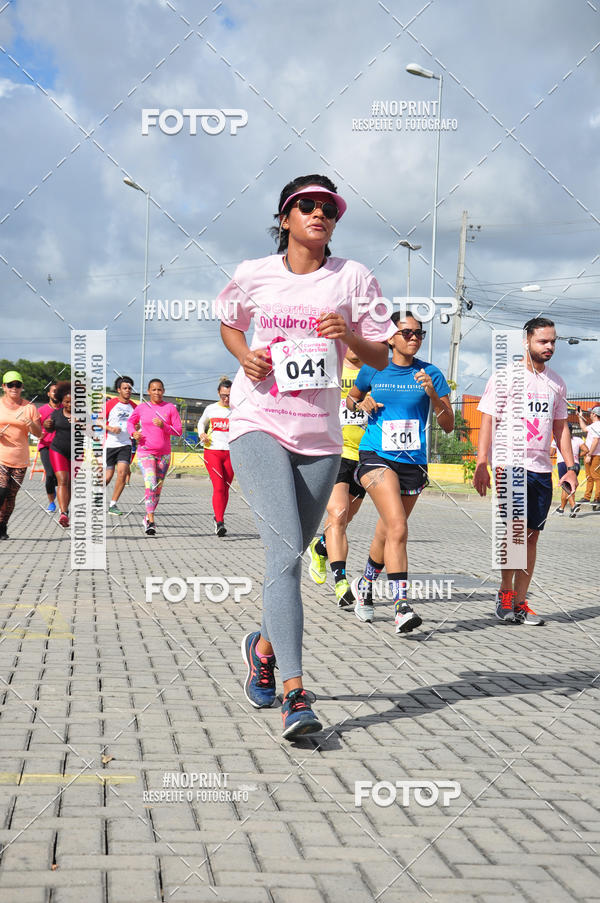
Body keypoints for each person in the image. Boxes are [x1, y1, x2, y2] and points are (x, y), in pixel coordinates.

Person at [218, 174, 394, 740]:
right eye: (308, 206)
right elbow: (229, 323)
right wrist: (246, 356)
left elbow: (381, 355)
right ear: (286, 217)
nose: (320, 214)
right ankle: (297, 696)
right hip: (257, 423)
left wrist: (351, 336)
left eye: (330, 209)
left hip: (319, 436)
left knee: (291, 553)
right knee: (286, 552)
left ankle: (262, 649)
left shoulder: (354, 278)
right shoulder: (253, 273)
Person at [347, 312, 454, 632]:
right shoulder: (373, 368)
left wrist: (434, 397)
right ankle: (401, 606)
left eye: (419, 333)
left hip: (413, 462)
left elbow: (448, 425)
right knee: (397, 525)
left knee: (388, 530)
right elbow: (352, 401)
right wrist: (361, 403)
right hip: (376, 455)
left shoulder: (431, 373)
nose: (414, 338)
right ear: (390, 337)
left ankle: (364, 586)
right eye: (406, 332)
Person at [474, 317, 578, 625]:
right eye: (543, 341)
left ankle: (520, 603)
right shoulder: (504, 378)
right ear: (526, 342)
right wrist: (483, 463)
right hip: (510, 465)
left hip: (541, 470)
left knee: (531, 537)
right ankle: (505, 598)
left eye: (553, 341)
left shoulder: (557, 383)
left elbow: (561, 429)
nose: (549, 347)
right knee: (514, 535)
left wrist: (570, 468)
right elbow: (487, 421)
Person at [308, 349, 369, 607]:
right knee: (338, 512)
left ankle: (320, 547)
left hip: (366, 454)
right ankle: (341, 582)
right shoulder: (329, 367)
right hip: (335, 450)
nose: (357, 345)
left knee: (344, 519)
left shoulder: (374, 371)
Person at [126, 379, 182, 535]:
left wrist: (164, 426)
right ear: (148, 391)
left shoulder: (170, 408)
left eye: (160, 390)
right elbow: (130, 422)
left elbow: (178, 431)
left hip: (164, 455)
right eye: (154, 390)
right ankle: (151, 520)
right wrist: (133, 433)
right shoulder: (142, 408)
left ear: (163, 391)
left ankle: (146, 517)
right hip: (145, 452)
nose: (157, 392)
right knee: (150, 483)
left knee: (157, 489)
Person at [0, 370, 42, 539]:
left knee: (10, 496)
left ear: (22, 387)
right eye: (10, 385)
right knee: (1, 491)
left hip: (20, 458)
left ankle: (2, 526)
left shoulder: (29, 407)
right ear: (4, 387)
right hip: (1, 456)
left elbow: (39, 433)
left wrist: (30, 423)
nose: (14, 388)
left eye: (18, 385)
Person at [198, 377, 233, 536]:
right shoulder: (211, 409)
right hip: (212, 451)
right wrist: (202, 434)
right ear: (219, 393)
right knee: (218, 486)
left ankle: (218, 516)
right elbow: (201, 422)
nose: (226, 399)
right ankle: (220, 522)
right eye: (223, 395)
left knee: (225, 488)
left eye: (229, 395)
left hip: (231, 453)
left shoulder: (237, 410)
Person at [103, 376, 136, 516]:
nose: (128, 390)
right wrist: (110, 428)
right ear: (118, 390)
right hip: (110, 444)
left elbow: (138, 424)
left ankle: (113, 504)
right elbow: (97, 421)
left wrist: (137, 429)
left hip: (126, 444)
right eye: (125, 388)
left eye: (129, 388)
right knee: (108, 476)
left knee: (122, 473)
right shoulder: (110, 404)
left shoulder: (135, 407)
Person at [44, 381, 73, 528]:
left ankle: (65, 511)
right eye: (66, 402)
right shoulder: (56, 414)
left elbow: (91, 433)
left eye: (73, 402)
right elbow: (48, 429)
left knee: (69, 483)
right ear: (62, 401)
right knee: (62, 479)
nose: (70, 405)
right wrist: (46, 425)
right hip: (58, 449)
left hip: (75, 453)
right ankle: (63, 513)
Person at [37, 381, 60, 512]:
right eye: (53, 391)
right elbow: (34, 429)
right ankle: (51, 502)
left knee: (61, 477)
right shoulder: (41, 411)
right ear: (48, 393)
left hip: (61, 447)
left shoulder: (65, 409)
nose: (56, 393)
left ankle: (57, 491)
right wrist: (40, 433)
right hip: (45, 446)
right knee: (50, 475)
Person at [552, 423, 583, 517]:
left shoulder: (557, 439)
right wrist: (576, 456)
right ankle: (561, 509)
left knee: (565, 486)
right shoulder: (578, 439)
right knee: (567, 487)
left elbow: (551, 452)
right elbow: (586, 450)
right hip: (575, 464)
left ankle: (573, 506)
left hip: (563, 463)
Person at [578, 405, 600, 509]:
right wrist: (580, 416)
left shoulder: (598, 425)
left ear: (594, 414)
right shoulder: (593, 425)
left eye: (591, 413)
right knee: (589, 477)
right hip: (590, 454)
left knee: (596, 476)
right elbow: (583, 428)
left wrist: (589, 455)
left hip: (596, 455)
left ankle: (598, 498)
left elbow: (596, 440)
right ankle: (587, 497)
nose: (590, 414)